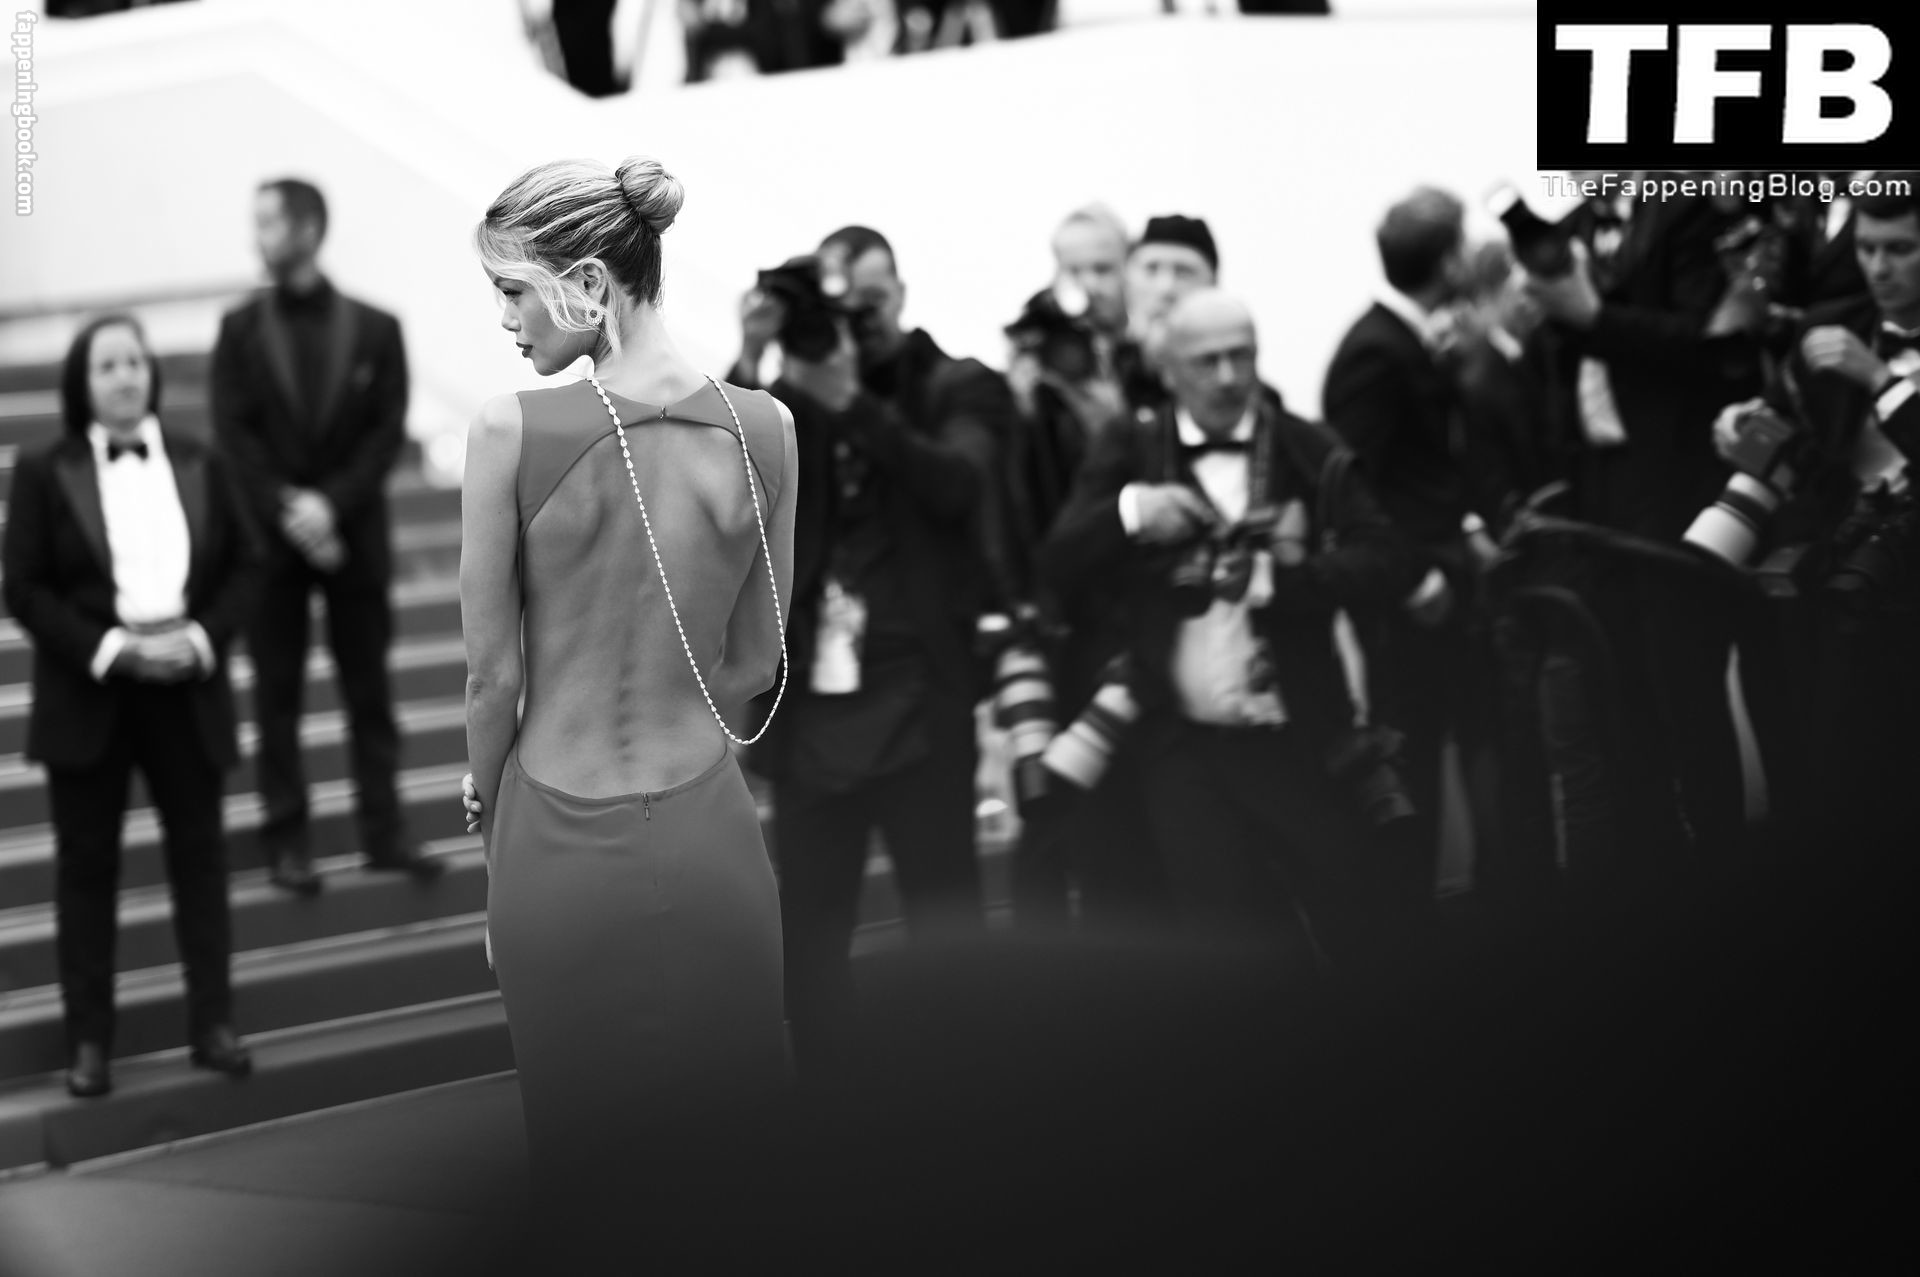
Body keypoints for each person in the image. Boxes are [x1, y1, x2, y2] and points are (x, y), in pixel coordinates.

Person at [457, 156, 798, 1256]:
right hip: (711, 835)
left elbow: (492, 680)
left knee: (583, 1175)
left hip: (554, 841)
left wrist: (489, 809)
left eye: (514, 289)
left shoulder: (509, 431)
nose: (504, 318)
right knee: (744, 1172)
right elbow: (756, 659)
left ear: (590, 282)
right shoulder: (766, 428)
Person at [1039, 290, 1422, 978]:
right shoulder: (1131, 446)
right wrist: (1131, 512)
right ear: (1168, 370)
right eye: (1206, 361)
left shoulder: (1306, 446)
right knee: (1228, 952)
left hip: (1302, 738)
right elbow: (1058, 560)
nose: (1227, 376)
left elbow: (1387, 559)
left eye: (1241, 356)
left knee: (1361, 932)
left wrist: (1280, 581)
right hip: (1183, 748)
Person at [735, 252, 995, 1081]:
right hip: (815, 709)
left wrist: (855, 401)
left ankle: (971, 1095)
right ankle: (832, 1109)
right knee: (810, 933)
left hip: (921, 697)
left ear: (898, 296)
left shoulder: (950, 384)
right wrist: (753, 356)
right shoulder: (784, 404)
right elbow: (721, 487)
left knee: (948, 920)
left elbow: (960, 485)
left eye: (869, 302)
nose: (854, 326)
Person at [2, 315, 263, 1098]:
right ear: (82, 382)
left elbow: (248, 564)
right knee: (86, 871)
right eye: (107, 364)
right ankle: (89, 1043)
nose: (125, 376)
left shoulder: (199, 455)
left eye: (134, 362)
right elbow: (24, 588)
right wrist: (114, 648)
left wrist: (202, 638)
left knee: (201, 861)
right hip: (91, 691)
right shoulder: (43, 468)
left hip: (187, 685)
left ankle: (214, 1023)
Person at [210, 178, 443, 894]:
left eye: (268, 223)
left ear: (308, 229)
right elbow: (234, 435)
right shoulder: (238, 329)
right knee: (276, 698)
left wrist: (331, 507)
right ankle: (286, 841)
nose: (256, 238)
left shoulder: (378, 327)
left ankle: (385, 833)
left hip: (354, 538)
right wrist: (293, 508)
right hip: (272, 545)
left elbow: (384, 433)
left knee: (369, 694)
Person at [1324, 186, 1504, 911]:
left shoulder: (1409, 340)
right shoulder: (1374, 352)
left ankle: (1500, 914)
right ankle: (1418, 939)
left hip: (1451, 585)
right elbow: (1353, 490)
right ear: (1447, 260)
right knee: (1417, 761)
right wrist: (1412, 580)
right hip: (1412, 602)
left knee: (1479, 736)